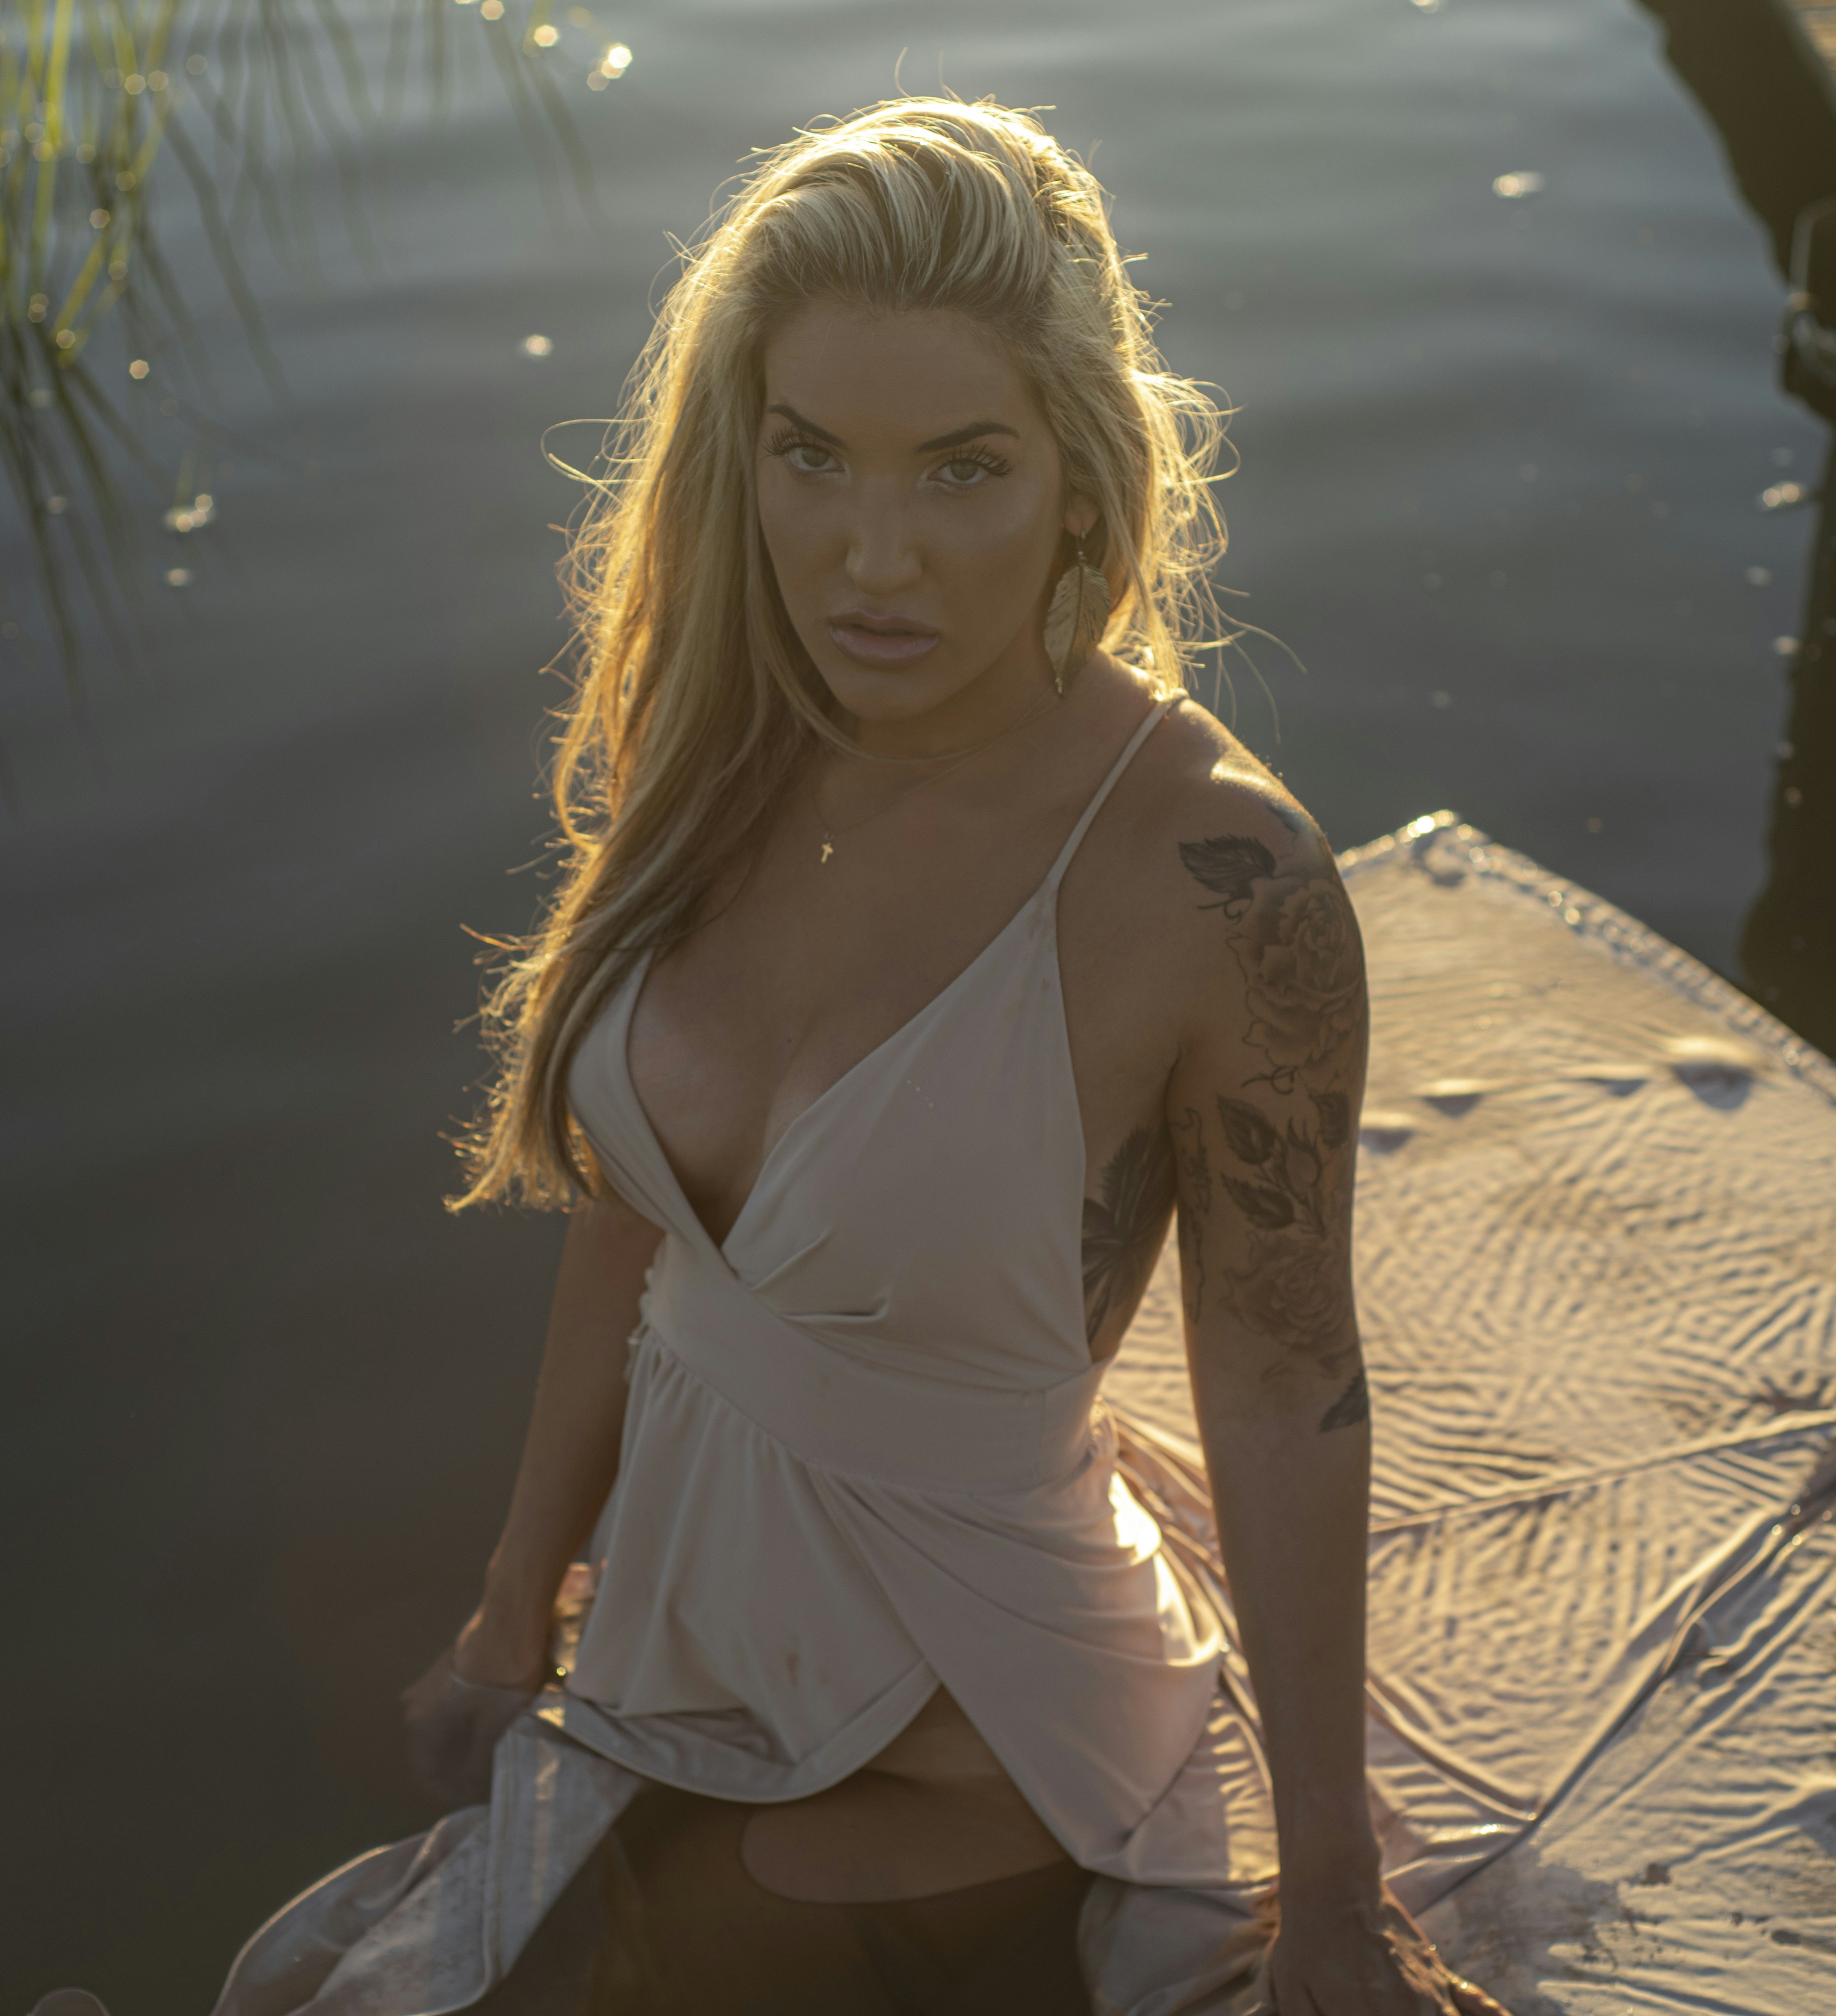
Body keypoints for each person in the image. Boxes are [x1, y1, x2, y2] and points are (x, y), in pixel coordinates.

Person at [219, 98, 1509, 2016]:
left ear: (1084, 482)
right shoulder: (727, 726)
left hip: (975, 1698)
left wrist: (1332, 1883)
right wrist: (511, 1615)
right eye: (811, 457)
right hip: (677, 1622)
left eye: (961, 471)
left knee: (585, 1989)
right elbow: (628, 1232)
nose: (870, 559)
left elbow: (1287, 1376)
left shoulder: (1219, 879)